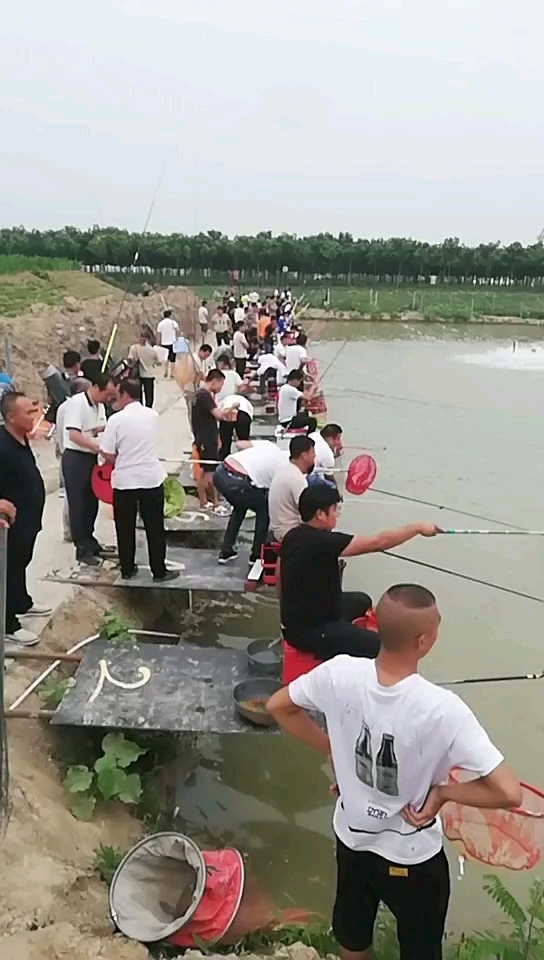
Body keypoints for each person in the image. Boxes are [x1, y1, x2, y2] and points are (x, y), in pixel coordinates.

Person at [267, 584, 522, 960]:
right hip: (413, 855)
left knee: (352, 939)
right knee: (420, 949)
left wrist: (335, 750)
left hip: (352, 841)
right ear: (424, 641)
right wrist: (443, 793)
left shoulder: (338, 673)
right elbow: (508, 792)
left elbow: (278, 706)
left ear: (377, 628)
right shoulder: (443, 709)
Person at [278, 483, 440, 659]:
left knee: (361, 601)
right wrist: (417, 528)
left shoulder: (293, 535)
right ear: (320, 514)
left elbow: (279, 576)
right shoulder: (323, 542)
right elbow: (378, 542)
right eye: (334, 509)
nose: (337, 514)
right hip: (311, 631)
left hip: (298, 622)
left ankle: (345, 638)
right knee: (379, 646)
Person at [99, 379, 179, 583]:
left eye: (117, 395)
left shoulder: (115, 420)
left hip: (125, 481)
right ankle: (159, 571)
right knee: (155, 527)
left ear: (125, 394)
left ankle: (127, 568)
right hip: (150, 479)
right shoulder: (152, 415)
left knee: (125, 527)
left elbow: (106, 452)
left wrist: (122, 457)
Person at [0, 392, 49, 647]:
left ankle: (22, 602)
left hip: (29, 519)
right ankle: (8, 624)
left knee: (20, 562)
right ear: (10, 417)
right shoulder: (2, 444)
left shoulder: (20, 439)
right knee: (6, 569)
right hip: (10, 523)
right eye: (28, 413)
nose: (34, 417)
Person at [62, 373, 116, 566]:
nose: (108, 399)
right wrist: (98, 448)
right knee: (78, 503)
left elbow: (94, 428)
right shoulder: (77, 403)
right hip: (76, 458)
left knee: (91, 501)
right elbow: (74, 435)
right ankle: (81, 548)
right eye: (107, 394)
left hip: (92, 459)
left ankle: (90, 539)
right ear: (95, 387)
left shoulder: (100, 406)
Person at [214, 440, 287, 564]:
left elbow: (239, 444)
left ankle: (226, 550)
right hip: (239, 482)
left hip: (220, 473)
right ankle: (256, 555)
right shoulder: (284, 467)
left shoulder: (268, 445)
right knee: (264, 511)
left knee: (240, 506)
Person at [191, 369, 236, 511]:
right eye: (220, 385)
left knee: (204, 470)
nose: (220, 389)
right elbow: (218, 415)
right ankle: (215, 502)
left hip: (203, 436)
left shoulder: (198, 395)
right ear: (215, 381)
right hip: (206, 438)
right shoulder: (204, 396)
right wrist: (231, 409)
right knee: (210, 471)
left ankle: (204, 502)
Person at [56, 377, 91, 542]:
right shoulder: (70, 408)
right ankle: (71, 531)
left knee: (74, 497)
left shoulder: (65, 407)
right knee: (74, 498)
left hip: (66, 452)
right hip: (72, 454)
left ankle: (73, 531)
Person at [268, 435, 315, 541]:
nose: (315, 456)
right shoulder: (297, 479)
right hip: (287, 531)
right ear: (304, 455)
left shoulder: (285, 470)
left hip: (278, 527)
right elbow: (306, 511)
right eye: (312, 453)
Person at [128, 331, 161, 408]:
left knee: (138, 393)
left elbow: (130, 359)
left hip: (137, 374)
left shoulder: (134, 348)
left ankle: (139, 407)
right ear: (147, 340)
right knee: (149, 394)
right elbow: (158, 362)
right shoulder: (152, 350)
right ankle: (148, 408)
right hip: (149, 375)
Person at [218, 394, 254, 458]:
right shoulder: (246, 401)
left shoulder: (224, 399)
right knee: (244, 443)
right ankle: (244, 460)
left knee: (225, 443)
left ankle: (224, 461)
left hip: (227, 411)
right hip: (244, 413)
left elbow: (218, 414)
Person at [182, 343, 213, 416]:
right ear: (201, 351)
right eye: (206, 355)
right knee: (192, 409)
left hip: (188, 386)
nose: (206, 357)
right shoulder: (196, 360)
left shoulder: (196, 358)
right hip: (191, 387)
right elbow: (199, 375)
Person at [156, 309, 179, 379]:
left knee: (166, 358)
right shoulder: (173, 322)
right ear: (170, 315)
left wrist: (158, 343)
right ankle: (172, 374)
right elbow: (178, 330)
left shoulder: (160, 324)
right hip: (172, 342)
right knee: (172, 359)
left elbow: (158, 334)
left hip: (164, 342)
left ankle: (165, 371)